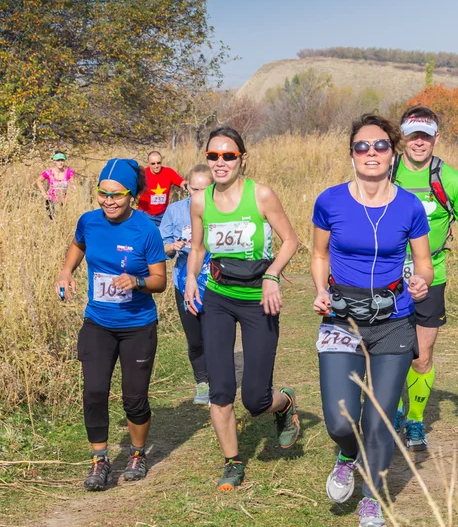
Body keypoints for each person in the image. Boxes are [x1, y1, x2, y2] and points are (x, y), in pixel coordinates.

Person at [311, 114, 433, 527]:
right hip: (341, 317)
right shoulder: (330, 201)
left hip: (395, 319)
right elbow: (319, 254)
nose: (371, 153)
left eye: (380, 145)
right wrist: (320, 288)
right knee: (339, 419)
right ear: (351, 154)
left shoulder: (409, 206)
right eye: (362, 146)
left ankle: (372, 499)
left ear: (392, 152)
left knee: (380, 417)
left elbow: (424, 264)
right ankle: (348, 455)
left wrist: (421, 283)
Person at [185, 127, 300, 491]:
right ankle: (233, 463)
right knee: (220, 389)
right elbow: (199, 247)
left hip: (257, 300)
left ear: (242, 159)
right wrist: (191, 277)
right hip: (218, 297)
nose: (220, 163)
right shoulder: (200, 200)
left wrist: (272, 275)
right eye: (213, 156)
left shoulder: (262, 195)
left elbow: (291, 240)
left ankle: (284, 406)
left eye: (228, 156)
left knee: (255, 398)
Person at [55, 158, 167, 491]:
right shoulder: (89, 222)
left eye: (117, 195)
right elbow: (78, 244)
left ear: (132, 195)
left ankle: (136, 453)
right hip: (98, 323)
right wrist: (66, 271)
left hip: (137, 325)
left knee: (134, 398)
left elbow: (159, 280)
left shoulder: (146, 229)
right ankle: (99, 460)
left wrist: (137, 281)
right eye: (102, 193)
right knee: (93, 391)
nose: (108, 201)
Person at [392, 106, 458, 451]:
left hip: (431, 273)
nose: (419, 142)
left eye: (426, 135)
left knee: (421, 356)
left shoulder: (450, 179)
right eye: (413, 135)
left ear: (436, 138)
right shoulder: (385, 173)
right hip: (385, 273)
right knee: (386, 350)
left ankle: (415, 419)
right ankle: (395, 409)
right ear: (402, 136)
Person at [160, 164, 213, 405]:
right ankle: (202, 383)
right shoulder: (174, 211)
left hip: (216, 282)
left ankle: (220, 383)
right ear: (186, 187)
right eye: (194, 188)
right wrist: (173, 247)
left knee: (215, 336)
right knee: (195, 338)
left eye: (205, 188)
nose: (199, 194)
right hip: (184, 282)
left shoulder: (222, 208)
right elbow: (161, 247)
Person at [137, 151, 184, 227]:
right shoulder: (142, 174)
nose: (156, 166)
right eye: (153, 163)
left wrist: (189, 185)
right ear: (149, 163)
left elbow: (181, 182)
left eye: (158, 163)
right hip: (146, 213)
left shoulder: (168, 172)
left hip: (163, 214)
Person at [37, 151, 75, 218]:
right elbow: (38, 181)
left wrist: (71, 194)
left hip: (63, 201)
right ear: (54, 161)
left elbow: (73, 185)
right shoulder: (48, 172)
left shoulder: (69, 172)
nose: (60, 162)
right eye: (58, 160)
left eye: (62, 160)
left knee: (63, 220)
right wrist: (44, 194)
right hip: (51, 200)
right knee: (52, 220)